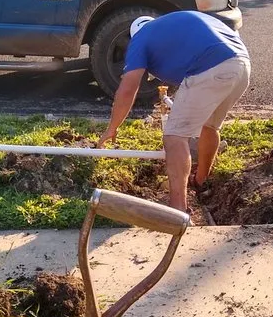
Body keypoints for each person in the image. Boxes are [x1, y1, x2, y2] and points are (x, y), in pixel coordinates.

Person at [96, 11, 251, 212]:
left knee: (174, 137)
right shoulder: (172, 25)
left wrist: (112, 128)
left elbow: (128, 88)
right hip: (241, 64)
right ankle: (201, 181)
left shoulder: (141, 38)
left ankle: (177, 211)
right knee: (210, 126)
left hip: (210, 67)